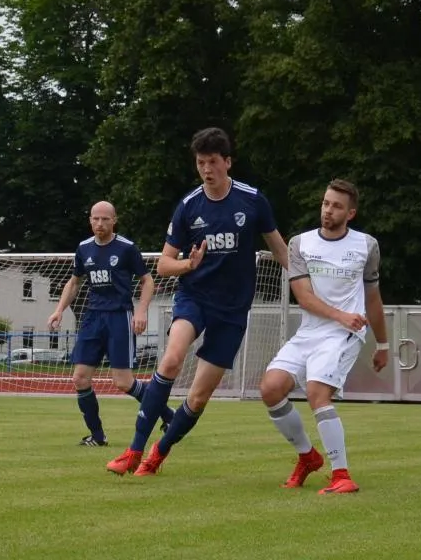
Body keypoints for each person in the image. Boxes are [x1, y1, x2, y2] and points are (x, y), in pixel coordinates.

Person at [108, 127, 288, 477]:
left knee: (198, 397)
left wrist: (307, 286)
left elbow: (280, 250)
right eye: (201, 163)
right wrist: (188, 265)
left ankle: (158, 453)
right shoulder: (189, 206)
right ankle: (133, 450)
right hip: (195, 298)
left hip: (232, 310)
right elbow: (164, 264)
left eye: (213, 162)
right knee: (172, 359)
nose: (206, 169)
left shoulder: (252, 200)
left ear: (228, 162)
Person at [258, 180, 389, 494]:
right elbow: (303, 297)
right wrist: (341, 314)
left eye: (337, 206)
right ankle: (307, 457)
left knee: (317, 392)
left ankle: (341, 475)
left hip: (344, 334)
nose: (328, 210)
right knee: (271, 388)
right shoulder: (300, 243)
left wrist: (383, 344)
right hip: (310, 332)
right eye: (326, 203)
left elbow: (373, 298)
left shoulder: (367, 245)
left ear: (351, 213)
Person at [47, 201, 155, 446]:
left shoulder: (127, 248)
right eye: (96, 218)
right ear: (90, 220)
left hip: (119, 316)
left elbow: (147, 281)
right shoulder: (84, 248)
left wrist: (141, 311)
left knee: (123, 382)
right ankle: (97, 436)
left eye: (105, 219)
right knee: (80, 378)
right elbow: (74, 282)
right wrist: (58, 310)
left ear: (114, 220)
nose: (100, 223)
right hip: (93, 317)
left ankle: (168, 413)